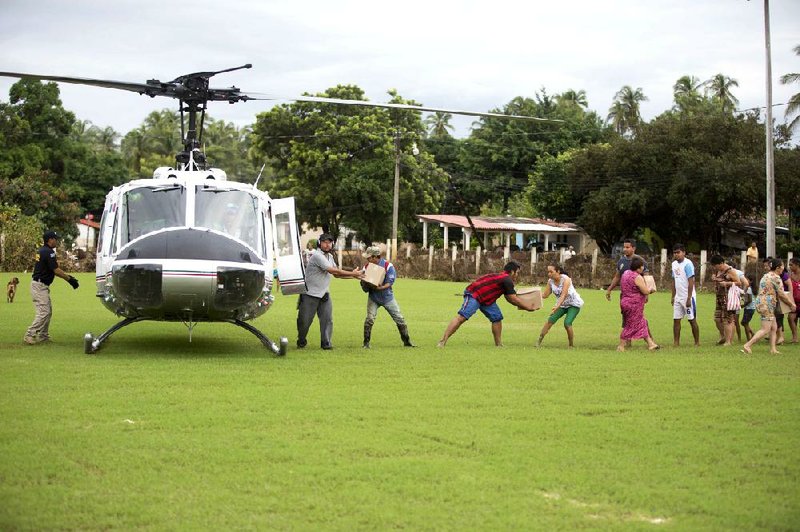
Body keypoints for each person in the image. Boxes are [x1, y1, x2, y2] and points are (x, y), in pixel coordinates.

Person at [437, 261, 538, 347]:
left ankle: (498, 345)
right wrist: (528, 307)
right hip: (474, 295)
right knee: (462, 317)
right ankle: (443, 341)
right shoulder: (507, 279)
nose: (517, 275)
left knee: (497, 317)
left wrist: (525, 305)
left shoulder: (505, 279)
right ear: (512, 272)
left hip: (487, 300)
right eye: (517, 273)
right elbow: (513, 299)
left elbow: (509, 298)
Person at [296, 233, 364, 350]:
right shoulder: (317, 256)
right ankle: (301, 339)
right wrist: (353, 273)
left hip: (324, 294)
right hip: (310, 294)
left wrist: (353, 276)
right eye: (324, 242)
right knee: (304, 322)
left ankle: (326, 342)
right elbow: (332, 270)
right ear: (319, 243)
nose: (327, 245)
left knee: (327, 319)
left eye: (329, 242)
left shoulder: (330, 257)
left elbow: (337, 275)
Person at [24, 231, 79, 345]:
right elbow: (56, 270)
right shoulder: (49, 252)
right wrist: (70, 279)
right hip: (40, 286)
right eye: (55, 238)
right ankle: (30, 334)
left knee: (48, 312)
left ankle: (43, 336)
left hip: (40, 285)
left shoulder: (41, 250)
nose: (56, 241)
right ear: (50, 240)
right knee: (44, 312)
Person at [360, 246, 414, 349]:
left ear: (376, 257)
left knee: (399, 319)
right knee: (369, 319)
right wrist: (364, 284)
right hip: (373, 298)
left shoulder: (388, 266)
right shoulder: (366, 267)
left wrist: (380, 287)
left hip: (387, 297)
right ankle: (366, 343)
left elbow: (390, 282)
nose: (367, 259)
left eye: (369, 257)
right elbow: (364, 285)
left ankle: (407, 342)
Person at [742, 258, 796, 355]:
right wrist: (791, 304)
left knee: (774, 327)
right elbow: (782, 294)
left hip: (762, 302)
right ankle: (747, 345)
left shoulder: (766, 275)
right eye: (783, 266)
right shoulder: (776, 278)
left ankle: (773, 349)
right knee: (765, 329)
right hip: (768, 304)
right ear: (778, 268)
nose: (784, 268)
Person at [536, 262, 584, 348]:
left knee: (567, 323)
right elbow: (545, 295)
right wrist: (533, 295)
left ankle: (571, 345)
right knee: (550, 321)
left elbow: (563, 295)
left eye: (551, 272)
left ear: (558, 271)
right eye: (548, 272)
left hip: (573, 304)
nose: (549, 274)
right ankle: (538, 343)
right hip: (561, 305)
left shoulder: (566, 279)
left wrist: (556, 307)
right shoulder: (550, 282)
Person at [618, 256, 659, 351]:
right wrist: (651, 290)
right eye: (642, 267)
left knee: (642, 322)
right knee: (630, 325)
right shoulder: (637, 277)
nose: (643, 268)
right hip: (634, 304)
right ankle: (621, 346)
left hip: (625, 302)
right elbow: (645, 291)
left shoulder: (626, 273)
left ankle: (651, 344)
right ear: (639, 267)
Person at [670, 244, 700, 347]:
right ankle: (676, 343)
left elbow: (691, 282)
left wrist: (689, 298)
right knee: (676, 320)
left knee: (692, 320)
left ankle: (697, 343)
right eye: (675, 253)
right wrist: (673, 296)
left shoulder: (688, 264)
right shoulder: (674, 264)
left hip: (688, 297)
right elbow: (674, 280)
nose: (676, 255)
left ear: (684, 253)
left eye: (678, 252)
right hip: (678, 297)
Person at [710, 254, 741, 346]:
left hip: (728, 298)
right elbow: (718, 280)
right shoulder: (718, 271)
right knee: (717, 319)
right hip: (719, 297)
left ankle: (728, 341)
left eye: (716, 265)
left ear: (722, 263)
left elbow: (739, 283)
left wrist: (727, 283)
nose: (715, 267)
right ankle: (724, 336)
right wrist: (714, 279)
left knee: (728, 320)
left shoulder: (730, 271)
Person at [741, 275, 756, 341]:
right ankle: (752, 334)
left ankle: (749, 339)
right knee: (744, 323)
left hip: (749, 308)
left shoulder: (749, 288)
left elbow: (749, 300)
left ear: (751, 281)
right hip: (750, 308)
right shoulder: (750, 288)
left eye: (746, 279)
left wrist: (742, 306)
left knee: (745, 323)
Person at [788, 257, 800, 343]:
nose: (789, 267)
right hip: (794, 302)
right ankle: (795, 337)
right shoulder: (790, 275)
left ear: (797, 265)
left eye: (791, 265)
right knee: (791, 318)